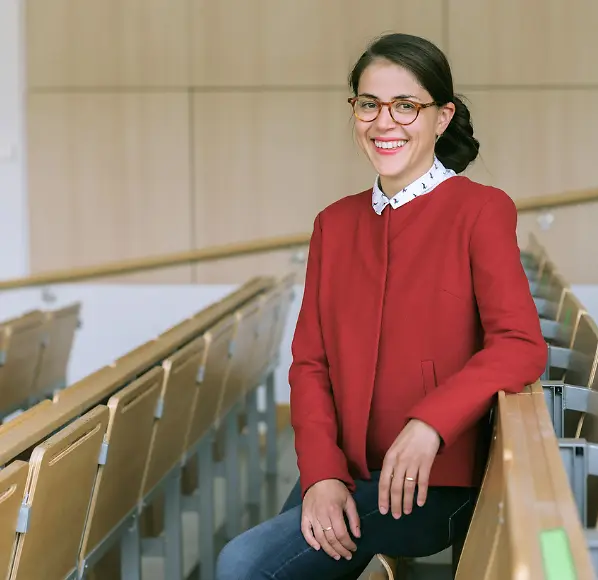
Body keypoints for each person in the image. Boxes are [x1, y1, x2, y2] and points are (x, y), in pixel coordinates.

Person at [216, 32, 547, 579]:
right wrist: (321, 474)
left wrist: (430, 424)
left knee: (244, 564)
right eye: (369, 104)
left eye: (405, 106)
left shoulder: (480, 211)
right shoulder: (334, 223)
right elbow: (311, 363)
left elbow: (520, 345)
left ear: (441, 118)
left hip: (433, 482)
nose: (383, 122)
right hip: (344, 471)